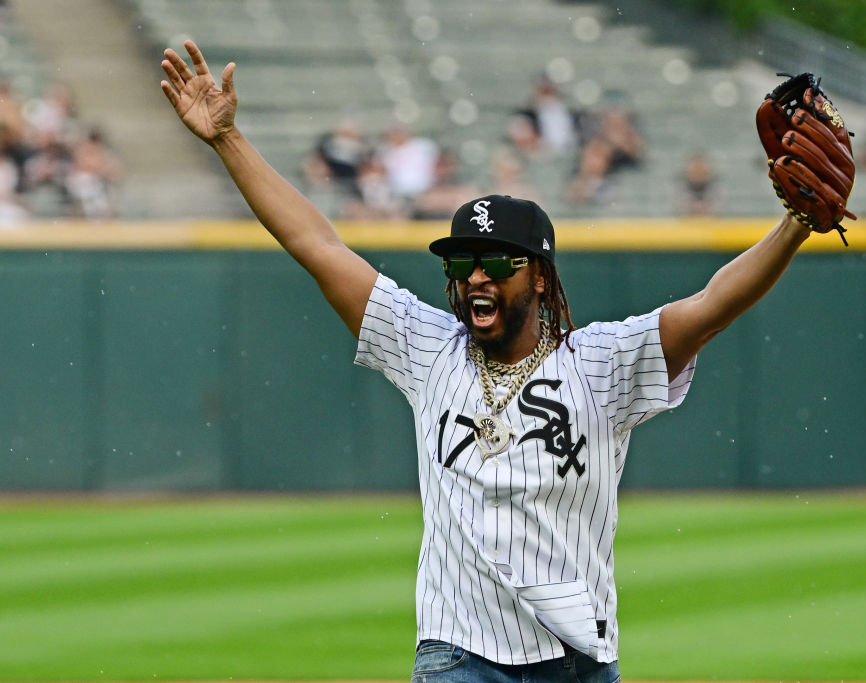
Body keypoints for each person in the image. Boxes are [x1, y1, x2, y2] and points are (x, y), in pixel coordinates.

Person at [161, 41, 826, 682]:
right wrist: (228, 140)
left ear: (538, 277)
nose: (477, 276)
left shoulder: (600, 364)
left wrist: (795, 223)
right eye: (462, 262)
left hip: (579, 662)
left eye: (498, 262)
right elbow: (316, 243)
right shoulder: (424, 345)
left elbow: (712, 305)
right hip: (460, 658)